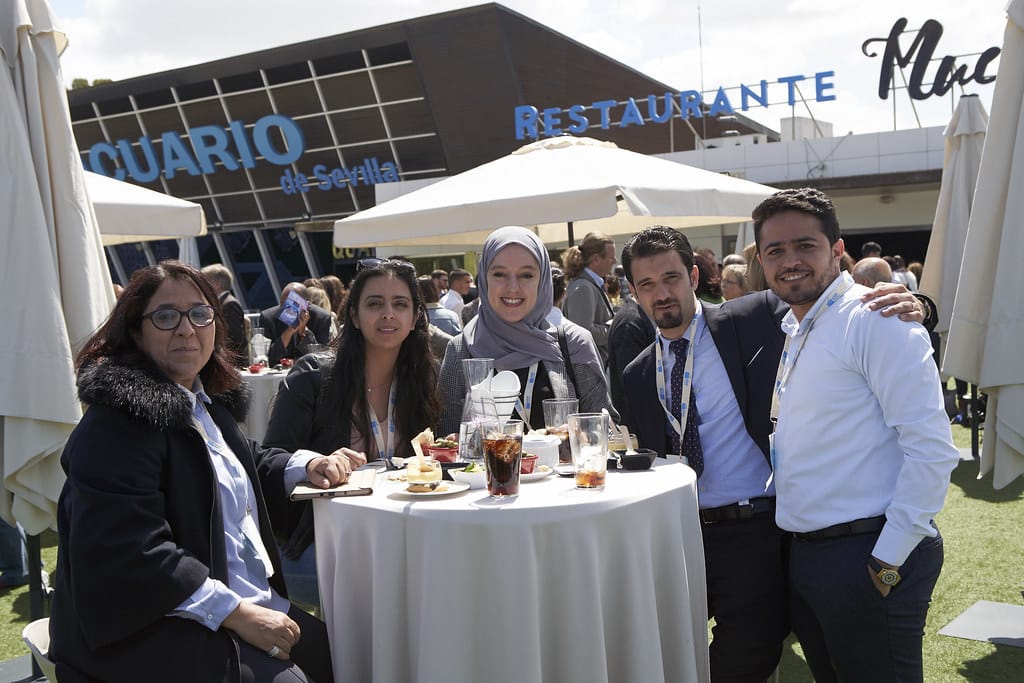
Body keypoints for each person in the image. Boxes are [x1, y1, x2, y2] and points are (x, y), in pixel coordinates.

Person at [620, 226, 927, 681]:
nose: (661, 294)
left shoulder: (751, 318)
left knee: (747, 655)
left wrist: (919, 305)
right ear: (633, 292)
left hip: (753, 529)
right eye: (647, 284)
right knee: (665, 653)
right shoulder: (637, 373)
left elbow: (830, 301)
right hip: (681, 535)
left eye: (671, 278)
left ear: (694, 275)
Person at [50, 261, 333, 683]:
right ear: (136, 331)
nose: (186, 329)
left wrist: (307, 464)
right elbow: (130, 551)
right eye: (166, 316)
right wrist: (236, 614)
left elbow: (244, 462)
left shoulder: (204, 406)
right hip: (146, 629)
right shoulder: (115, 424)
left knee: (349, 655)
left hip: (236, 602)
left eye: (200, 314)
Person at [754, 188, 957, 681]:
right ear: (760, 261)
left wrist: (888, 560)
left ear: (837, 249)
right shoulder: (797, 326)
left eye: (805, 245)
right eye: (775, 250)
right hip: (808, 553)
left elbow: (931, 448)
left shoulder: (876, 318)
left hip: (868, 550)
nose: (790, 261)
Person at [259, 259, 440, 606]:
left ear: (416, 316)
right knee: (399, 583)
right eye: (375, 304)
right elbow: (268, 460)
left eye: (400, 304)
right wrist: (313, 463)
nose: (388, 314)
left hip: (404, 534)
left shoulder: (424, 380)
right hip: (320, 543)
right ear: (354, 316)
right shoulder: (313, 377)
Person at [439, 226, 616, 434]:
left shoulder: (573, 343)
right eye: (499, 274)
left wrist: (579, 435)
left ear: (543, 281)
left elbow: (607, 431)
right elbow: (446, 438)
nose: (513, 287)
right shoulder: (461, 350)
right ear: (484, 279)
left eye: (526, 275)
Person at [560, 231, 617, 364]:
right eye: (611, 257)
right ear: (596, 259)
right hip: (592, 368)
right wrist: (615, 326)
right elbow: (583, 334)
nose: (615, 261)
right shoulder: (583, 287)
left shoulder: (588, 284)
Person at [259, 282, 333, 365]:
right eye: (282, 303)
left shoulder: (321, 318)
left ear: (305, 304)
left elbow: (319, 357)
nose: (284, 309)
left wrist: (303, 331)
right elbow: (268, 358)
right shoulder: (268, 318)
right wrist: (289, 331)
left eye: (289, 304)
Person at [201, 264, 248, 366]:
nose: (203, 287)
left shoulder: (230, 304)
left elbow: (235, 338)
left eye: (205, 282)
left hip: (231, 364)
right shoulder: (223, 303)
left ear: (217, 285)